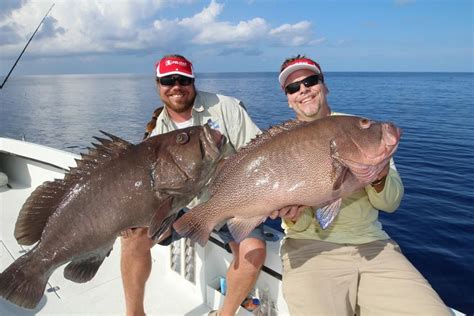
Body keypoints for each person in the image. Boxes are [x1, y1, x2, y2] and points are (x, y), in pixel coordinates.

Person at [275, 55, 450, 315]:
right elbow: (299, 224)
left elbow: (390, 203)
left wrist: (377, 175)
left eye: (310, 81)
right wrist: (292, 216)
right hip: (308, 249)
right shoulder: (280, 144)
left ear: (325, 85)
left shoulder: (356, 128)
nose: (303, 90)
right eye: (293, 87)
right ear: (288, 99)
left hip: (372, 245)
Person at [120, 54, 266, 316]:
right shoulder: (157, 131)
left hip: (231, 202)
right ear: (158, 85)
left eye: (183, 79)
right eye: (168, 80)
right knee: (133, 239)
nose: (176, 86)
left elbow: (260, 153)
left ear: (193, 80)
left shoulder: (226, 108)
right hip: (181, 206)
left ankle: (225, 313)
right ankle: (134, 313)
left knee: (253, 252)